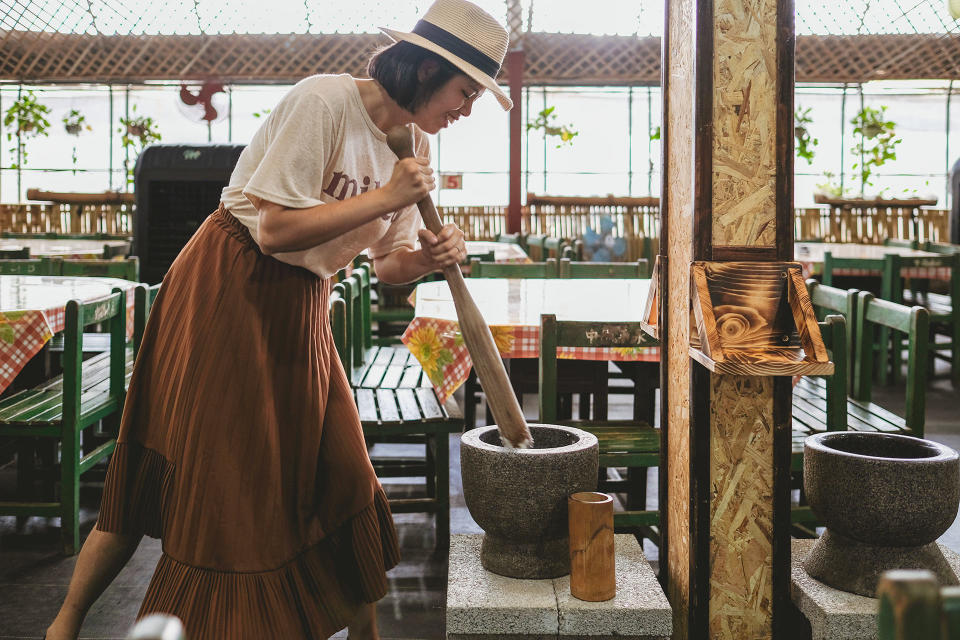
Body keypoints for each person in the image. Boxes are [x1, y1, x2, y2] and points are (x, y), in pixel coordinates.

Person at [45, 1, 512, 638]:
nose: (466, 109)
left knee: (342, 475)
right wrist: (386, 197)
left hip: (302, 305)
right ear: (428, 69)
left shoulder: (413, 144)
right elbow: (273, 230)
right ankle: (64, 625)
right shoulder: (324, 102)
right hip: (227, 288)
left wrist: (428, 257)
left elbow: (386, 266)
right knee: (205, 474)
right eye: (465, 92)